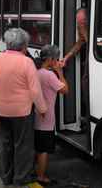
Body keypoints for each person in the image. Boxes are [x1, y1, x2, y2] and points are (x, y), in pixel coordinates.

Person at [0, 28, 47, 187]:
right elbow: (35, 91)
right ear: (24, 45)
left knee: (3, 146)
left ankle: (6, 178)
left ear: (7, 43)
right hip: (22, 113)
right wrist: (42, 109)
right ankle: (20, 179)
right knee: (23, 147)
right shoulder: (27, 62)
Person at [35, 45, 69, 185]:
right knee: (44, 150)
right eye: (55, 58)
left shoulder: (36, 71)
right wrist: (60, 72)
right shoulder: (49, 76)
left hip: (35, 117)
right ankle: (41, 176)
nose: (56, 61)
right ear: (49, 59)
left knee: (37, 147)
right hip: (46, 119)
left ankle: (36, 171)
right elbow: (65, 90)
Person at [60, 8, 89, 130]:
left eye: (82, 22)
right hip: (88, 57)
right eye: (78, 22)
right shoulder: (81, 27)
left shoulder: (92, 26)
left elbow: (89, 41)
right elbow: (80, 42)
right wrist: (66, 57)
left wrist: (83, 29)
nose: (80, 24)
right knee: (84, 84)